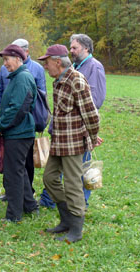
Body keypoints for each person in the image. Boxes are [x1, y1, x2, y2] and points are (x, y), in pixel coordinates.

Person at [38, 44, 102, 243]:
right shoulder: (58, 81)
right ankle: (66, 220)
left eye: (47, 63)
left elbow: (91, 115)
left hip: (74, 143)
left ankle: (76, 229)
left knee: (73, 185)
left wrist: (92, 138)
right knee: (49, 178)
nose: (45, 67)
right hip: (59, 142)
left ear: (58, 62)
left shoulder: (76, 80)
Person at [0, 38, 47, 201]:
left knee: (21, 166)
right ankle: (26, 201)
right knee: (15, 167)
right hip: (10, 124)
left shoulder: (31, 72)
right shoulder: (9, 71)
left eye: (6, 60)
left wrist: (1, 124)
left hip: (21, 127)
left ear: (21, 55)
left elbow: (32, 101)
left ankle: (21, 203)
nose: (4, 64)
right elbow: (0, 92)